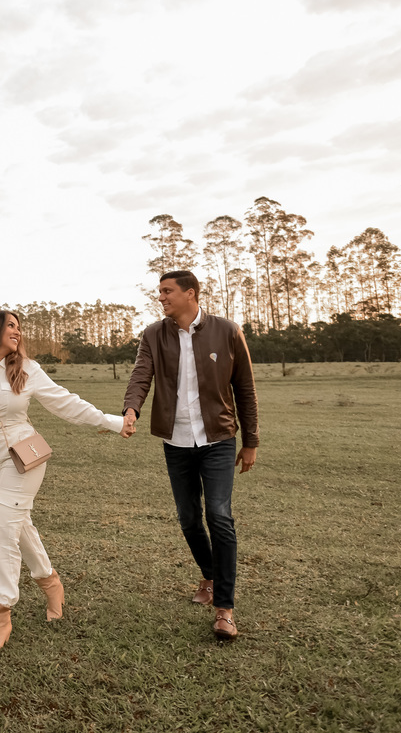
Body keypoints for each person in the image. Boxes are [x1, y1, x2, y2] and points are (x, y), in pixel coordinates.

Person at [0, 310, 126, 652]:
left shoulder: (27, 369)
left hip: (22, 452)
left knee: (1, 528)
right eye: (10, 326)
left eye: (19, 327)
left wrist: (113, 422)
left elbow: (66, 403)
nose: (17, 332)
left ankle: (1, 614)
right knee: (17, 525)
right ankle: (50, 581)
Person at [122, 270, 259, 641]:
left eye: (167, 291)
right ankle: (209, 576)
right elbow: (140, 376)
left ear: (190, 293)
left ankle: (225, 610)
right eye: (159, 292)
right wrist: (131, 409)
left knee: (219, 515)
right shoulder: (154, 334)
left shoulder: (227, 331)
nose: (161, 297)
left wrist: (251, 441)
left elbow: (245, 389)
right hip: (176, 441)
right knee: (188, 518)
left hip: (219, 439)